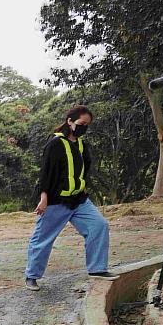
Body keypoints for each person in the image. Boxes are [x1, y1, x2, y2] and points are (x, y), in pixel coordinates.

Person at [24, 105, 118, 290]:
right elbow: (45, 173)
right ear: (70, 122)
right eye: (81, 123)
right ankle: (32, 276)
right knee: (42, 238)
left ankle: (97, 269)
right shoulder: (55, 144)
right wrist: (43, 198)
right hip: (55, 202)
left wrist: (82, 187)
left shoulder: (82, 145)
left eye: (87, 125)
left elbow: (85, 170)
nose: (84, 127)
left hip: (79, 201)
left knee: (99, 225)